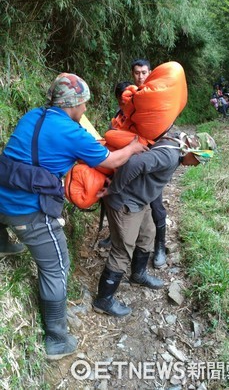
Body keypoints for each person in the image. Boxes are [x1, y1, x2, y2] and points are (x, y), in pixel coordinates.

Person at [0, 73, 147, 360]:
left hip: (2, 199)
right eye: (85, 104)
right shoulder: (72, 132)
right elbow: (111, 160)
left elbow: (40, 154)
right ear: (75, 104)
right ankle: (56, 339)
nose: (86, 110)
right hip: (29, 213)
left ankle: (3, 243)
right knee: (57, 267)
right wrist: (133, 147)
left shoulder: (32, 115)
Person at [93, 131, 216, 317]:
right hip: (126, 201)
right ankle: (103, 300)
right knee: (122, 250)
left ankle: (138, 275)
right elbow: (135, 163)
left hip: (141, 200)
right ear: (192, 152)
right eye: (198, 160)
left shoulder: (176, 146)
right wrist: (114, 189)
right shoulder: (170, 155)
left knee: (148, 234)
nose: (196, 165)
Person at [99, 60, 168, 268]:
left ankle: (160, 246)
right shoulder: (124, 110)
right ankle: (117, 236)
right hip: (127, 165)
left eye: (144, 72)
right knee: (117, 202)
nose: (140, 76)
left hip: (150, 164)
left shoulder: (154, 106)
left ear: (150, 74)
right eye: (136, 73)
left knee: (155, 204)